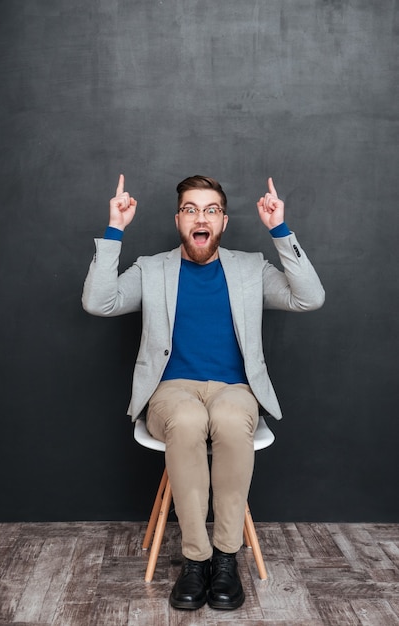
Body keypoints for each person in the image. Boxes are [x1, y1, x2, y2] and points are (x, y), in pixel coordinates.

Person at [82, 173, 325, 611]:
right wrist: (115, 228)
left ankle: (226, 558)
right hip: (171, 392)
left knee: (232, 422)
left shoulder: (251, 268)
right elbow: (99, 303)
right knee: (189, 422)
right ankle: (196, 560)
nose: (201, 217)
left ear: (224, 222)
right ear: (179, 220)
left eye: (211, 210)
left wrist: (280, 231)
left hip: (235, 390)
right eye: (191, 209)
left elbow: (309, 298)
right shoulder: (152, 268)